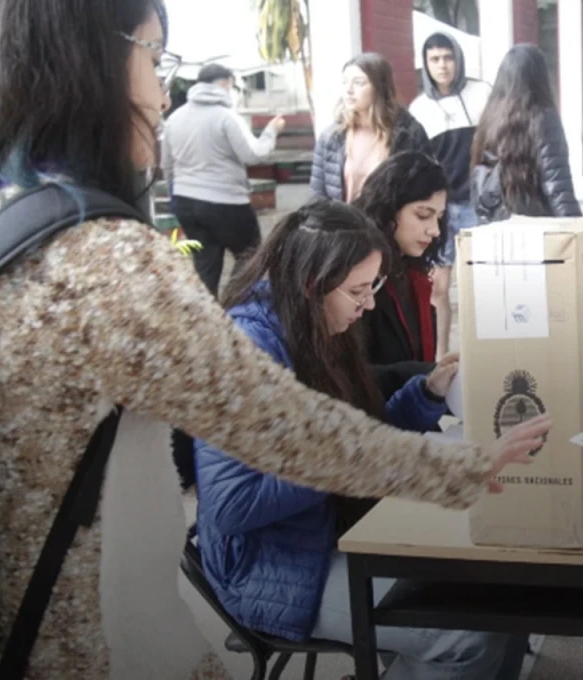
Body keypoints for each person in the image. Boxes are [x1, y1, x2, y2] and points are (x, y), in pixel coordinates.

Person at [0, 1, 546, 677]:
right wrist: (464, 468)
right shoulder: (103, 261)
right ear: (92, 62)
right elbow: (292, 435)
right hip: (91, 636)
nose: (164, 92)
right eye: (154, 55)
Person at [194, 201, 533, 680]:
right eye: (358, 291)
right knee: (469, 634)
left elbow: (360, 435)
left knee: (501, 586)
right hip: (272, 570)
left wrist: (427, 393)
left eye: (372, 287)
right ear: (313, 284)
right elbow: (233, 504)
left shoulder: (312, 323)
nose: (368, 304)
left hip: (328, 533)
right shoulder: (247, 352)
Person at [162, 64, 283, 294]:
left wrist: (175, 196)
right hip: (226, 202)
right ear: (225, 83)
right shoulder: (226, 117)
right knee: (251, 255)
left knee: (206, 264)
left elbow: (167, 165)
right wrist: (271, 131)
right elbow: (254, 154)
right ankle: (235, 307)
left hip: (186, 201)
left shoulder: (175, 118)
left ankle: (207, 319)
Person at [409, 32, 491, 358]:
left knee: (481, 286)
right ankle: (441, 355)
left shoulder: (481, 93)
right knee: (438, 287)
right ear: (426, 64)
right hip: (440, 210)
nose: (442, 65)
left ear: (457, 58)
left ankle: (481, 349)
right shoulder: (419, 108)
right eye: (434, 59)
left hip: (477, 205)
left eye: (448, 57)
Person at [353, 152, 448, 376]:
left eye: (440, 218)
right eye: (423, 215)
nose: (434, 230)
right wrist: (427, 378)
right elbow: (346, 375)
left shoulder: (413, 274)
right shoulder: (356, 278)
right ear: (388, 209)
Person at [471, 44, 581, 222]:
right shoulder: (543, 118)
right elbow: (558, 188)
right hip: (535, 228)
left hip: (499, 226)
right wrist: (581, 231)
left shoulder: (490, 117)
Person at [310, 52, 432, 202]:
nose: (349, 89)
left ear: (379, 87)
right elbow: (317, 196)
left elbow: (426, 190)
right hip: (344, 224)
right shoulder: (332, 136)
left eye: (359, 82)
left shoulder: (408, 133)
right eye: (344, 82)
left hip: (389, 224)